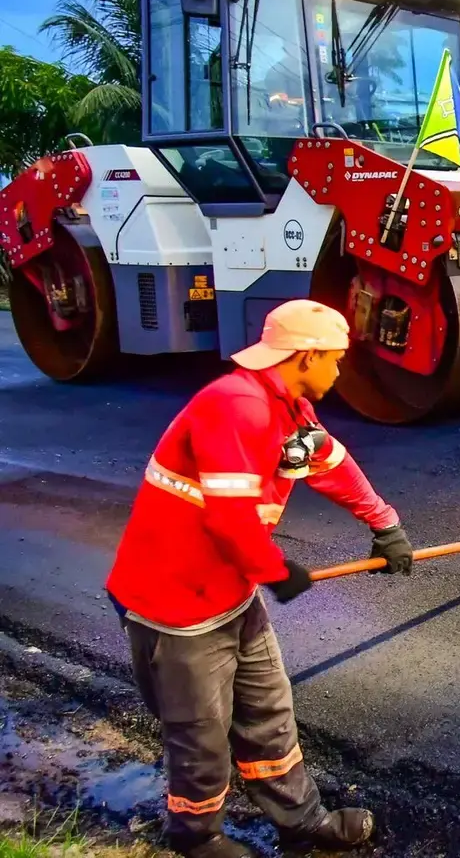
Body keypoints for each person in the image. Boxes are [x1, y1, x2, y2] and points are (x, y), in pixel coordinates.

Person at [104, 299, 415, 858]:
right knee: (200, 734)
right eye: (336, 360)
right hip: (176, 610)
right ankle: (196, 838)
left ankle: (302, 824)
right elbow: (227, 519)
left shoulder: (288, 409)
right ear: (306, 355)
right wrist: (277, 571)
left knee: (269, 717)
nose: (340, 372)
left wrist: (384, 522)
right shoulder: (235, 407)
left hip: (231, 594)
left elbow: (329, 462)